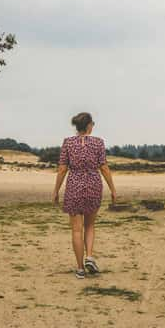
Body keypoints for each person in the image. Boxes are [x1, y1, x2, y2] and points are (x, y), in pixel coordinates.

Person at [52, 112, 116, 279]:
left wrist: (56, 190)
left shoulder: (68, 143)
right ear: (88, 125)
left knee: (76, 230)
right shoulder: (98, 143)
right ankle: (89, 256)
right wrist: (113, 189)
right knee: (89, 226)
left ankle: (80, 269)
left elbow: (62, 169)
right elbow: (104, 168)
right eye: (92, 123)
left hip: (74, 186)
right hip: (93, 185)